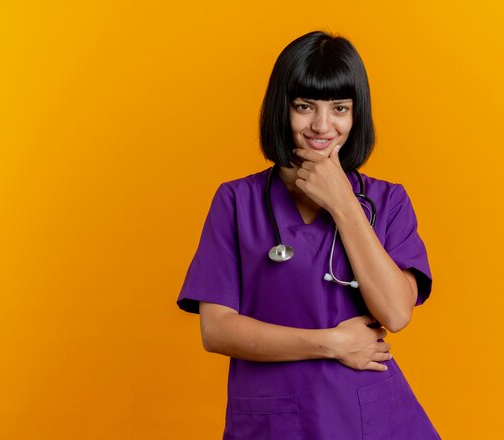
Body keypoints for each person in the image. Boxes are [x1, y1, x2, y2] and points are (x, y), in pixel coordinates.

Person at [177, 30, 441, 440]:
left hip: (370, 421)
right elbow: (217, 330)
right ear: (282, 110)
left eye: (339, 108)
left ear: (357, 116)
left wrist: (343, 203)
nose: (322, 125)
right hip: (276, 421)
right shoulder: (235, 202)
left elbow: (395, 313)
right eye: (304, 106)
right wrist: (333, 343)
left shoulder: (387, 202)